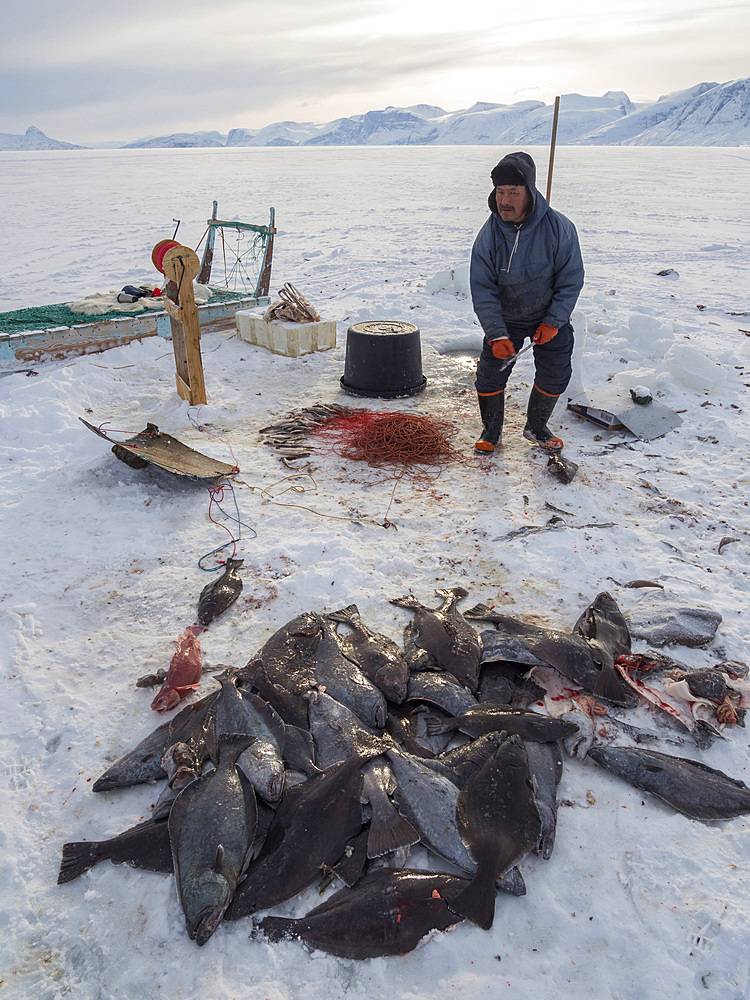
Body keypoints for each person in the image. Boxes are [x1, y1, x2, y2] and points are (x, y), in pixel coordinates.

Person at [469, 150, 584, 453]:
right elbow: (483, 289)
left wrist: (554, 321)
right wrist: (496, 332)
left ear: (530, 192)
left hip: (547, 314)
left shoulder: (559, 229)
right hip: (506, 317)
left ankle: (536, 426)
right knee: (490, 374)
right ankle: (491, 431)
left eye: (513, 192)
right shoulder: (489, 236)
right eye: (500, 191)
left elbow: (571, 279)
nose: (504, 201)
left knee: (556, 371)